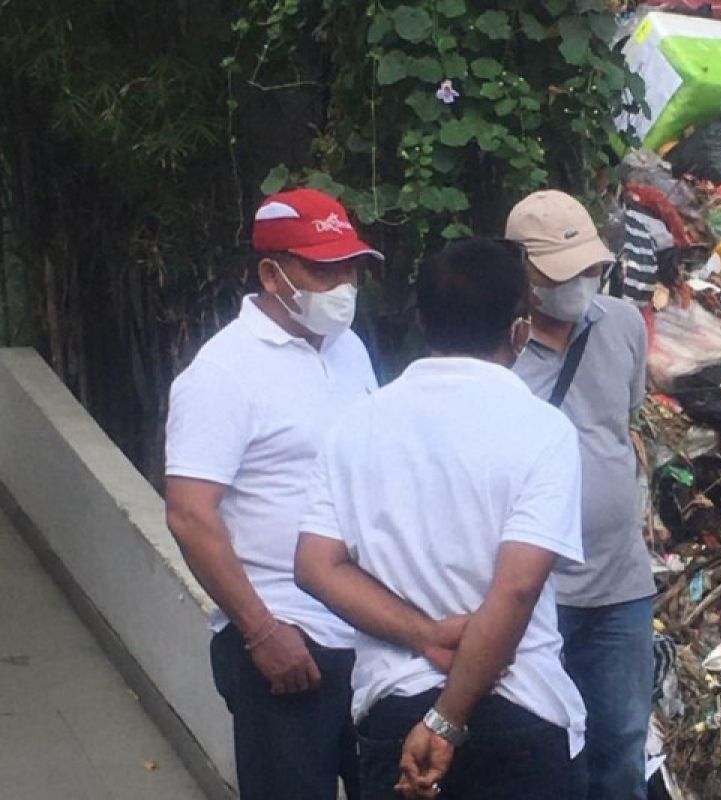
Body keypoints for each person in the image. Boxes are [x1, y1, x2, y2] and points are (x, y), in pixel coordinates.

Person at [294, 237, 587, 800]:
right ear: (520, 330)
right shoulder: (542, 430)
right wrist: (446, 722)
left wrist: (425, 635)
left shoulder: (357, 425)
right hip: (520, 710)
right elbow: (519, 586)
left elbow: (315, 565)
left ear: (422, 321)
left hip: (394, 709)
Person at [164, 188, 391, 800]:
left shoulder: (350, 352)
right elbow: (189, 515)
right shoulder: (222, 374)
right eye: (323, 268)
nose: (343, 283)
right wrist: (261, 633)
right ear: (271, 272)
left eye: (350, 266)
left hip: (365, 634)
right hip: (285, 643)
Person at [506, 190, 655, 800]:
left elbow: (624, 421)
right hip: (537, 594)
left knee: (621, 743)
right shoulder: (499, 353)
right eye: (564, 273)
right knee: (539, 746)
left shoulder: (619, 323)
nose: (582, 283)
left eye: (591, 268)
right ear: (524, 274)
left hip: (622, 585)